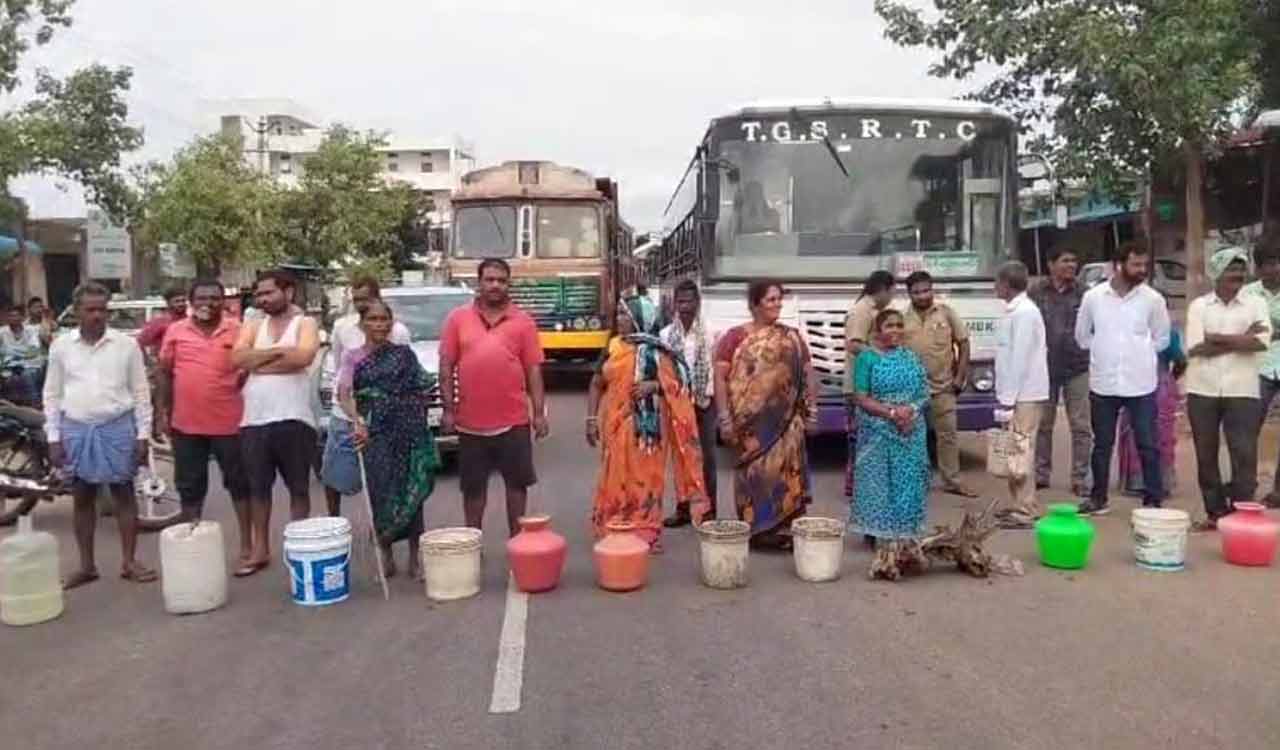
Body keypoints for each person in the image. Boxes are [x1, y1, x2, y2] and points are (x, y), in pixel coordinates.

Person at [43, 282, 156, 588]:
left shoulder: (126, 345)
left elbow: (141, 392)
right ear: (76, 311)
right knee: (82, 497)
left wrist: (142, 434)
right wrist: (53, 437)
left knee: (124, 494)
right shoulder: (61, 346)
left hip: (118, 427)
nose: (96, 315)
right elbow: (52, 394)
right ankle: (86, 566)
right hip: (76, 430)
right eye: (90, 309)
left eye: (102, 309)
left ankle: (129, 561)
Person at [586, 293, 709, 553]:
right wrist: (591, 419)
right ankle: (615, 526)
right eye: (618, 314)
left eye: (624, 315)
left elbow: (682, 382)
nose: (618, 319)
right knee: (615, 474)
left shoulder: (657, 351)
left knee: (645, 479)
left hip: (648, 433)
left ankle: (646, 532)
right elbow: (597, 383)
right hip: (615, 425)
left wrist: (654, 385)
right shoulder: (613, 347)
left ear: (639, 319)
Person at [439, 258, 549, 537]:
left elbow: (533, 370)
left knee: (516, 486)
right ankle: (472, 545)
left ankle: (518, 546)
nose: (495, 285)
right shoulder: (457, 319)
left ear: (508, 284)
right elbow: (445, 365)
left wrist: (538, 413)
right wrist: (449, 409)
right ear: (479, 282)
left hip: (513, 422)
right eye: (489, 279)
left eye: (501, 280)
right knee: (473, 490)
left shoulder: (523, 322)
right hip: (469, 423)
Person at [339, 300, 439, 580]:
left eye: (384, 319)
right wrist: (357, 421)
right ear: (363, 323)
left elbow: (423, 383)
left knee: (413, 492)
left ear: (392, 323)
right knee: (380, 493)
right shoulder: (353, 357)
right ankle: (385, 555)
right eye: (373, 319)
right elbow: (344, 395)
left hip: (409, 428)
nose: (379, 324)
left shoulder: (405, 355)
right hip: (377, 432)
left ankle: (414, 560)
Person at [231, 270, 321, 576]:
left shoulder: (305, 323)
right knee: (258, 489)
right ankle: (260, 549)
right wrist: (280, 352)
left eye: (268, 293)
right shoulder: (253, 324)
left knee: (298, 487)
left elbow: (304, 356)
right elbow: (238, 359)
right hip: (254, 419)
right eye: (259, 295)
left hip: (294, 417)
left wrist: (260, 361)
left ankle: (299, 544)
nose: (262, 299)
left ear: (289, 292)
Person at [715, 280, 815, 550]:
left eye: (779, 299)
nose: (777, 305)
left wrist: (812, 412)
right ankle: (758, 531)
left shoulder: (791, 337)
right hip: (748, 425)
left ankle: (786, 528)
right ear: (755, 304)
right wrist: (724, 418)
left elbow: (807, 372)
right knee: (756, 472)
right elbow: (721, 378)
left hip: (786, 422)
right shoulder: (734, 337)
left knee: (786, 471)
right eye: (771, 300)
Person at [155, 279, 252, 559]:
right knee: (190, 486)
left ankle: (247, 545)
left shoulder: (238, 330)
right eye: (201, 298)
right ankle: (192, 542)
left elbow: (250, 367)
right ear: (190, 301)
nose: (207, 303)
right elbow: (164, 372)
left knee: (239, 484)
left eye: (214, 298)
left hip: (231, 423)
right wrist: (162, 412)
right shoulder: (176, 331)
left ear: (224, 302)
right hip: (186, 424)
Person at [1074, 242, 1171, 515]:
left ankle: (1153, 499)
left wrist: (1139, 353)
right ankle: (1098, 498)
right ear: (1118, 265)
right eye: (1136, 264)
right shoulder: (1094, 297)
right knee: (1102, 444)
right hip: (1104, 383)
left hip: (1141, 383)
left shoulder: (1153, 299)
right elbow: (1082, 337)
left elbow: (1161, 339)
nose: (1142, 270)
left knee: (1147, 444)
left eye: (1144, 265)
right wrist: (1103, 350)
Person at [1183, 248, 1270, 531]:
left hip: (1242, 389)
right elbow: (1196, 348)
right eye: (1232, 272)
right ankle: (1215, 511)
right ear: (1217, 275)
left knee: (1244, 454)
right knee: (1205, 454)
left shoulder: (1255, 303)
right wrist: (1242, 338)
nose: (1238, 277)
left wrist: (1217, 338)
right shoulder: (1199, 306)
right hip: (1202, 389)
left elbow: (1261, 343)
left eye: (1241, 272)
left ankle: (1242, 513)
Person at [321, 276, 411, 517]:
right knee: (334, 473)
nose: (361, 304)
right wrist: (355, 415)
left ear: (378, 297)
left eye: (366, 299)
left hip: (384, 417)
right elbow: (342, 370)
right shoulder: (342, 328)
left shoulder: (398, 332)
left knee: (383, 478)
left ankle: (383, 527)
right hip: (346, 414)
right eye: (357, 299)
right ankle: (334, 523)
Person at [848, 308, 931, 545]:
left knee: (911, 480)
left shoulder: (911, 357)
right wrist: (892, 413)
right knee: (878, 481)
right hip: (878, 429)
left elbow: (924, 392)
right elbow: (861, 397)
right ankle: (876, 531)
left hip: (911, 428)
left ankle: (906, 530)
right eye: (889, 326)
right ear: (878, 330)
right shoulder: (868, 358)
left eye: (898, 325)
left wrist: (911, 411)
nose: (895, 330)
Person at [901, 270, 974, 497]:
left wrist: (960, 377)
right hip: (911, 391)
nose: (923, 296)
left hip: (944, 387)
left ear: (933, 290)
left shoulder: (946, 314)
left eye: (926, 290)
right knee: (912, 437)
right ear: (909, 294)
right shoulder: (901, 319)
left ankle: (952, 481)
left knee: (948, 436)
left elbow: (963, 344)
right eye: (917, 292)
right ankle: (916, 483)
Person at [1028, 247, 1093, 497]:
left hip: (1078, 366)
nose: (1071, 265)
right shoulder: (1036, 292)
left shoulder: (1085, 294)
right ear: (1050, 264)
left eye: (1074, 260)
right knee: (1043, 424)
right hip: (1044, 368)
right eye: (1065, 260)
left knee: (1081, 425)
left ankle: (1079, 478)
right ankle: (1041, 475)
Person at [992, 261, 1050, 529]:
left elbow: (1019, 360)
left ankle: (1026, 510)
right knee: (1015, 450)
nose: (995, 287)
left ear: (1006, 284)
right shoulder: (1014, 311)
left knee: (1021, 450)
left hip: (1024, 393)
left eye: (997, 282)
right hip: (1016, 392)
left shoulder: (1025, 313)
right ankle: (1018, 505)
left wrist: (1008, 399)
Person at [660, 280, 718, 527]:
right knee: (682, 457)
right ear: (675, 303)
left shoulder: (711, 332)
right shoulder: (665, 335)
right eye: (680, 301)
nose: (684, 307)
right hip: (677, 404)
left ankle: (709, 511)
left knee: (706, 458)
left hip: (704, 403)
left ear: (698, 303)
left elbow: (716, 369)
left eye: (689, 301)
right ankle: (683, 509)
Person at [1116, 295, 1185, 497]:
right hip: (1157, 385)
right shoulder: (1169, 333)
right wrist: (1169, 380)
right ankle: (1160, 482)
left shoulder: (1130, 332)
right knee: (1160, 435)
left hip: (1139, 385)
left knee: (1138, 433)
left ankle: (1139, 482)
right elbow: (1180, 361)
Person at [843, 270, 895, 498]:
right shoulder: (862, 311)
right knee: (859, 438)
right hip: (859, 386)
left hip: (870, 385)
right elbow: (854, 344)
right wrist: (882, 358)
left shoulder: (872, 310)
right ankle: (856, 485)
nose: (892, 296)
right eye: (892, 291)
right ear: (883, 289)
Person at [1244, 232, 1280, 506]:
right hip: (1258, 367)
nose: (1276, 267)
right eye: (1270, 262)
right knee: (1246, 430)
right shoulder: (1248, 294)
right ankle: (1245, 488)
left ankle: (1278, 492)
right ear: (1259, 267)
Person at [0, 303, 46, 407]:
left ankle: (35, 404)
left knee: (27, 374)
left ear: (22, 317)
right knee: (6, 375)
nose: (13, 318)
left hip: (30, 363)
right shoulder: (2, 332)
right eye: (10, 316)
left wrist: (17, 355)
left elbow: (33, 350)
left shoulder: (31, 330)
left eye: (16, 316)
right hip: (9, 364)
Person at [137, 286, 188, 356]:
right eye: (177, 301)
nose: (181, 304)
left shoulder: (191, 321)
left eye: (183, 301)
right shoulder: (159, 322)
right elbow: (139, 342)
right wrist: (148, 360)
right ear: (168, 303)